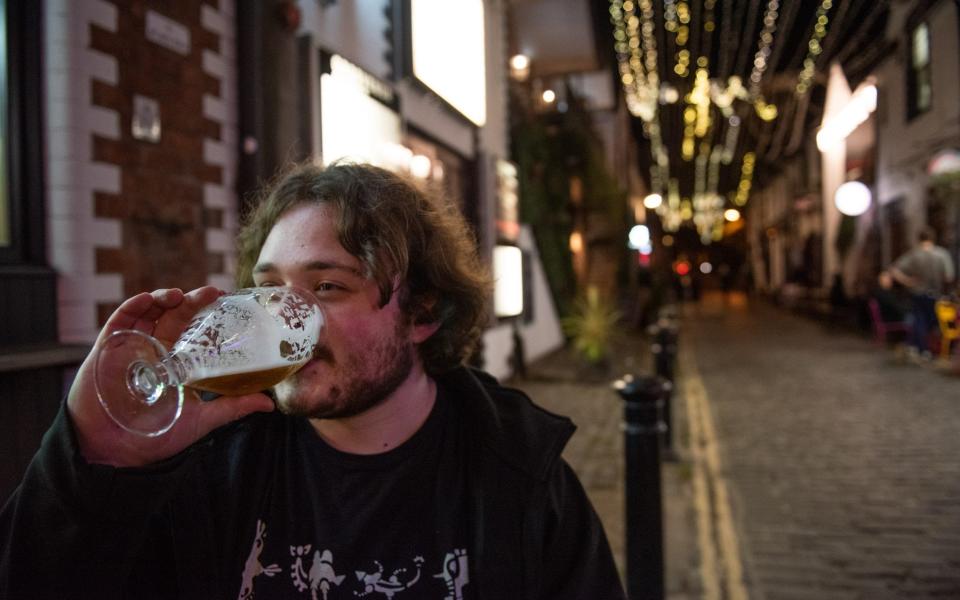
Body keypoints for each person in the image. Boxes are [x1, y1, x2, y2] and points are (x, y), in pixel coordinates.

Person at [0, 162, 625, 599]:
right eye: (270, 289)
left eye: (327, 287)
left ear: (424, 312)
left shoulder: (518, 476)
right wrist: (93, 465)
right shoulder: (211, 461)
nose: (282, 320)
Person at [889, 226, 955, 359]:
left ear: (919, 239)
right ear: (933, 238)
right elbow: (949, 277)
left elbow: (894, 270)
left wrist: (907, 281)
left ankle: (922, 349)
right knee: (936, 322)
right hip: (936, 294)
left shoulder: (914, 254)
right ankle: (937, 349)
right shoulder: (941, 254)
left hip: (918, 292)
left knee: (919, 321)